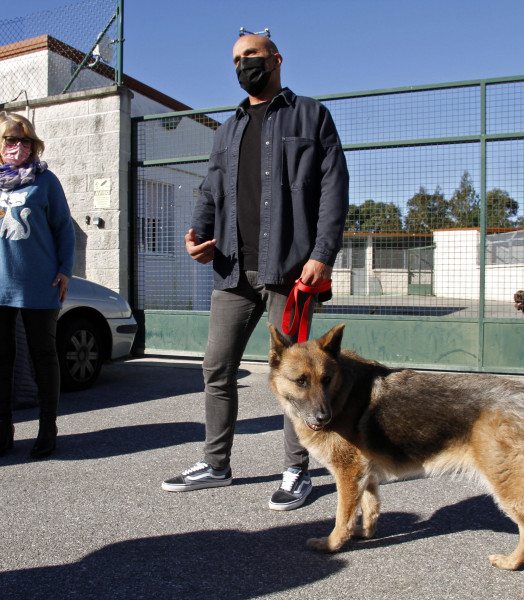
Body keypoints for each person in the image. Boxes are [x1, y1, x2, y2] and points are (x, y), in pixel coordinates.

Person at [161, 32, 349, 510]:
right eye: (236, 59)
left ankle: (295, 471)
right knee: (217, 366)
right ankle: (216, 464)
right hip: (232, 271)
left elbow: (334, 187)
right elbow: (210, 188)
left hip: (292, 272)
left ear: (276, 59)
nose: (244, 64)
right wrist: (196, 234)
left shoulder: (311, 116)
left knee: (299, 376)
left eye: (251, 56)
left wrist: (323, 253)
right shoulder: (228, 129)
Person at [0, 111, 76, 460]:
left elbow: (63, 228)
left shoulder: (45, 180)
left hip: (39, 282)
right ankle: (3, 430)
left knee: (44, 356)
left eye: (25, 140)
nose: (18, 146)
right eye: (11, 139)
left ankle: (47, 428)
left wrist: (64, 270)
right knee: (1, 359)